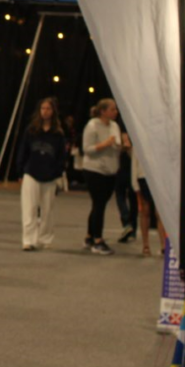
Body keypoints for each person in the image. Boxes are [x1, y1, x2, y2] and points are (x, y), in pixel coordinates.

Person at [16, 97, 67, 251]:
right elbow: (23, 151)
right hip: (31, 172)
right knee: (29, 208)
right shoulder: (31, 130)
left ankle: (45, 239)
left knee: (47, 209)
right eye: (42, 108)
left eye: (48, 109)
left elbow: (61, 156)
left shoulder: (58, 134)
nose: (45, 111)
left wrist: (58, 172)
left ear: (53, 111)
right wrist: (20, 172)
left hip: (50, 175)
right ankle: (28, 240)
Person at [82, 98, 122, 255]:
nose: (116, 112)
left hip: (110, 170)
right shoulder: (92, 125)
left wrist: (121, 145)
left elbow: (117, 145)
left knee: (99, 204)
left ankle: (89, 236)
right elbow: (87, 149)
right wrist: (104, 144)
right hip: (94, 169)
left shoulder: (114, 126)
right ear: (103, 111)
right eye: (112, 109)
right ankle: (98, 240)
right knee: (99, 204)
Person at [132, 140, 166, 257]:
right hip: (143, 177)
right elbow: (134, 162)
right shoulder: (140, 139)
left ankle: (164, 246)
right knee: (145, 212)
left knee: (160, 213)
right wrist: (135, 185)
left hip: (160, 178)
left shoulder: (162, 140)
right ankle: (145, 245)